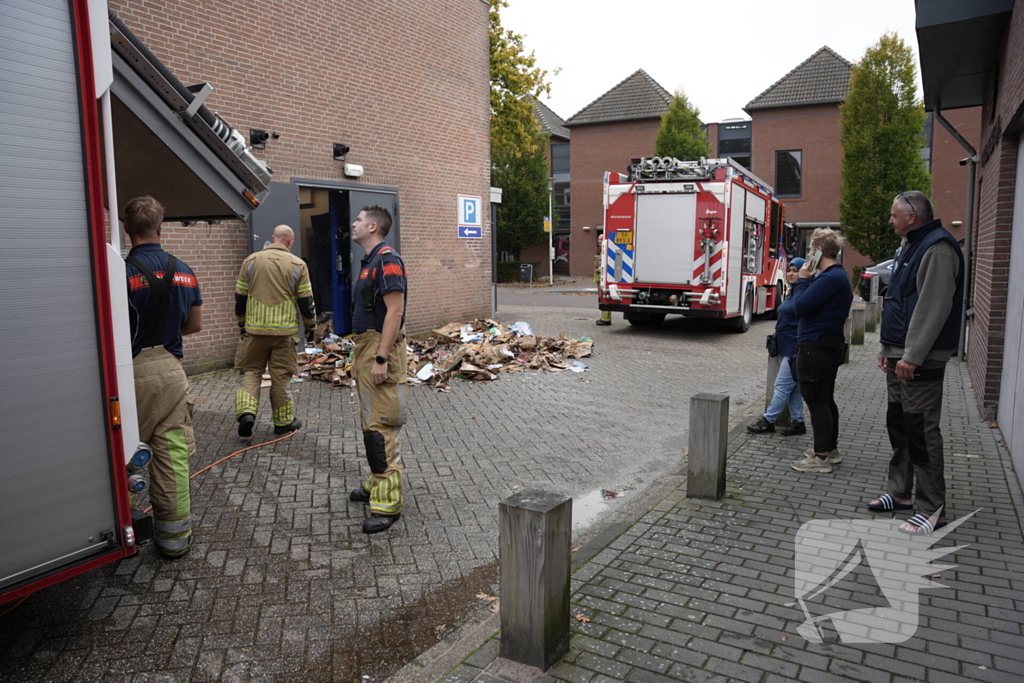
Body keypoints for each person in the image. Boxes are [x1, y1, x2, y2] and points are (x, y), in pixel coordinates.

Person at [868, 191, 964, 535]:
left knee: (921, 430)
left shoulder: (937, 248)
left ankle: (931, 510)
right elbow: (898, 299)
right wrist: (887, 346)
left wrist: (911, 355)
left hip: (918, 357)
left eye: (894, 215)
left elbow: (932, 307)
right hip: (899, 351)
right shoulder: (912, 245)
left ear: (912, 216)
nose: (890, 220)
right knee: (900, 424)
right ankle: (901, 493)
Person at [123, 196, 203, 559]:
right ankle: (174, 542)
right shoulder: (185, 270)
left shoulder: (119, 273)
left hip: (130, 373)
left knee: (122, 456)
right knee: (172, 457)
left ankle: (118, 537)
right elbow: (195, 325)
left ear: (127, 229)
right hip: (172, 370)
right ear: (161, 228)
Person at [348, 205, 409, 534]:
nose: (353, 224)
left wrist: (381, 358)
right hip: (367, 346)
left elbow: (394, 310)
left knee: (381, 426)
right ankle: (376, 483)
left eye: (358, 220)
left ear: (373, 227)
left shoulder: (387, 259)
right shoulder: (370, 261)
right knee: (371, 422)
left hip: (379, 349)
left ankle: (388, 503)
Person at [234, 225, 314, 437]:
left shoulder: (250, 261)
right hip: (284, 334)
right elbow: (306, 302)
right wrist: (311, 327)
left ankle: (247, 413)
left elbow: (240, 298)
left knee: (250, 372)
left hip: (254, 332)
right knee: (280, 377)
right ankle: (283, 422)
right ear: (290, 240)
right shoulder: (298, 265)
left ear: (273, 238)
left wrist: (242, 324)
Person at [789, 228, 853, 473]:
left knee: (816, 403)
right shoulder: (837, 276)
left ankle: (821, 458)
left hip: (816, 346)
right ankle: (829, 449)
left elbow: (801, 307)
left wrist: (803, 279)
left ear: (817, 251)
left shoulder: (828, 278)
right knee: (825, 400)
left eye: (809, 250)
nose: (806, 255)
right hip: (828, 344)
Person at [747, 257, 807, 436]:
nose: (790, 273)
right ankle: (798, 422)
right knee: (793, 387)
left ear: (804, 272)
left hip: (794, 348)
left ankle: (768, 421)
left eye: (795, 270)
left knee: (781, 385)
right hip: (784, 344)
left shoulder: (804, 293)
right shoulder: (792, 291)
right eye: (789, 270)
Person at [595, 230, 611, 326]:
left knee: (604, 298)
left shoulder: (605, 250)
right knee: (600, 298)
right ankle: (604, 317)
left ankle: (605, 319)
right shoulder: (600, 249)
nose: (599, 241)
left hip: (602, 277)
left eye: (601, 239)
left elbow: (605, 263)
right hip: (598, 277)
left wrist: (599, 269)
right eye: (598, 239)